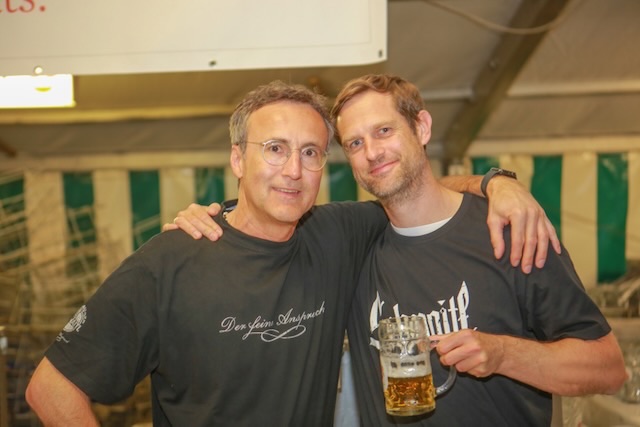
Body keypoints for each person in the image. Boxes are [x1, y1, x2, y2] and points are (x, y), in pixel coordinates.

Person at [26, 80, 555, 427]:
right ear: (238, 159)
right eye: (275, 149)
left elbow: (413, 189)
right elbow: (51, 388)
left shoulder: (337, 234)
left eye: (310, 153)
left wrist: (496, 183)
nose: (294, 171)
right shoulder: (171, 260)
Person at [170, 75, 626, 426]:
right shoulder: (351, 242)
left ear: (421, 127)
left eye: (384, 130)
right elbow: (266, 211)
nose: (372, 152)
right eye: (355, 143)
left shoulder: (506, 230)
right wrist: (213, 216)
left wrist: (505, 354)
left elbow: (607, 368)